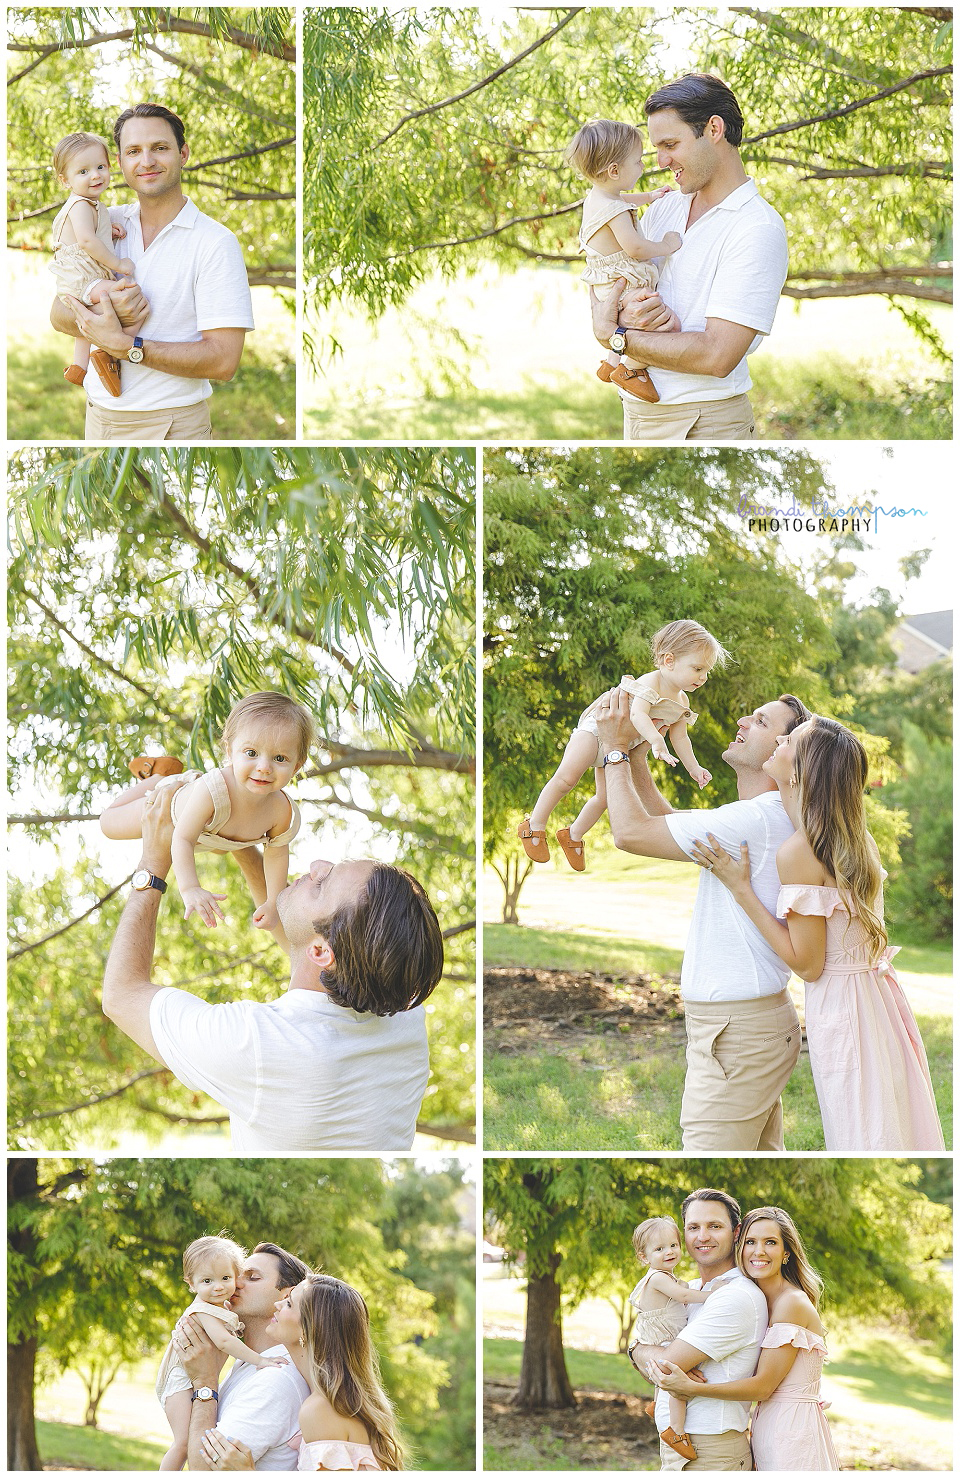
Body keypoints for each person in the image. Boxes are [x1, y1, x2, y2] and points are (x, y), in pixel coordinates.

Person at [100, 779, 445, 1151]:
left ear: (322, 952)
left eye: (322, 885)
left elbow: (120, 995)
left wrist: (152, 863)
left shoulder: (259, 1043)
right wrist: (241, 840)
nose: (316, 865)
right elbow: (305, 943)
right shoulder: (402, 1016)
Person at [689, 716, 945, 1151]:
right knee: (886, 1117)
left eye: (789, 739)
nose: (780, 738)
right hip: (874, 1000)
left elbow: (808, 964)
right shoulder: (852, 837)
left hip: (844, 1009)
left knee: (860, 1128)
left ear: (800, 771)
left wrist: (741, 889)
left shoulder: (802, 851)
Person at [594, 686, 811, 1151]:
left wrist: (612, 749)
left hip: (738, 1033)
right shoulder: (759, 815)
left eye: (760, 721)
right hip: (747, 1025)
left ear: (784, 750)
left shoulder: (755, 821)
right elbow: (666, 821)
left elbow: (631, 833)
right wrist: (634, 749)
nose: (743, 721)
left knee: (706, 1155)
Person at [589, 73, 788, 442]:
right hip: (638, 414)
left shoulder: (757, 227)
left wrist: (616, 337)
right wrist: (614, 311)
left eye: (670, 144)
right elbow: (610, 272)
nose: (661, 161)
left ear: (714, 128)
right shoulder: (666, 206)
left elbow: (717, 355)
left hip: (704, 422)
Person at [50, 102, 254, 442]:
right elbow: (58, 312)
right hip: (100, 419)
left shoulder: (215, 243)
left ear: (183, 152)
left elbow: (223, 362)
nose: (146, 161)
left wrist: (127, 345)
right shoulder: (103, 224)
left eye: (159, 148)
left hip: (175, 423)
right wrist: (108, 312)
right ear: (119, 162)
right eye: (133, 151)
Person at [518, 619, 728, 871]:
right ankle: (535, 825)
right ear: (669, 661)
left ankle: (572, 835)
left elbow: (680, 737)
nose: (703, 677)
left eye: (707, 671)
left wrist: (694, 768)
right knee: (566, 779)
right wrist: (656, 740)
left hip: (618, 745)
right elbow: (638, 714)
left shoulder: (681, 700)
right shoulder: (652, 683)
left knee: (605, 797)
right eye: (697, 669)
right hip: (596, 731)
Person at [100, 691, 315, 931]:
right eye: (251, 753)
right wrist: (190, 888)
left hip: (217, 834)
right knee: (108, 824)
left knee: (221, 851)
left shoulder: (281, 811)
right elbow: (182, 838)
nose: (264, 767)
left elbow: (275, 854)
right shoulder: (211, 792)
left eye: (279, 758)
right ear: (229, 750)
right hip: (174, 809)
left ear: (297, 765)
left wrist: (274, 902)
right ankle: (159, 776)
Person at [657, 1207, 840, 1471]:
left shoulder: (791, 1302)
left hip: (791, 1430)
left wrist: (692, 1388)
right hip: (766, 1425)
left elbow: (763, 1387)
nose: (759, 1252)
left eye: (771, 1243)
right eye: (751, 1242)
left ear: (786, 1252)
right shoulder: (758, 1298)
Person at [199, 1273, 403, 1471]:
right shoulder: (332, 1401)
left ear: (309, 1329)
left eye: (288, 1303)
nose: (277, 1305)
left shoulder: (320, 1410)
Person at [629, 1189, 767, 1471]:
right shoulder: (689, 1290)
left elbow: (666, 1365)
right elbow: (651, 1355)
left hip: (710, 1448)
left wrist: (647, 1355)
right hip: (682, 1444)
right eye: (693, 1227)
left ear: (736, 1232)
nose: (702, 1236)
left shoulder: (734, 1295)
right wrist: (637, 1351)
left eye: (714, 1226)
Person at [564, 118, 681, 402]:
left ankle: (609, 363)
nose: (643, 166)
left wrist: (651, 196)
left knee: (630, 325)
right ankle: (631, 369)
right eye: (638, 161)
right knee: (664, 325)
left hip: (607, 281)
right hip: (625, 282)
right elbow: (636, 249)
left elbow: (625, 200)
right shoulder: (614, 211)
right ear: (615, 170)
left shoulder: (599, 197)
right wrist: (665, 245)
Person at [172, 1241, 312, 1471]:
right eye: (236, 1274)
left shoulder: (275, 1379)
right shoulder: (249, 1362)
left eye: (252, 1277)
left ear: (287, 1295)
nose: (235, 1283)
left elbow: (204, 1470)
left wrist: (205, 1383)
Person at [49, 131, 140, 397]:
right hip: (82, 279)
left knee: (88, 318)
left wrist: (107, 229)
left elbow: (90, 233)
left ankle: (80, 365)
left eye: (100, 167)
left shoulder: (92, 205)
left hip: (81, 278)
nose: (95, 175)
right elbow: (87, 242)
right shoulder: (79, 206)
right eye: (83, 171)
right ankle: (111, 351)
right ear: (65, 180)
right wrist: (118, 263)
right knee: (129, 297)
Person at [628, 1216, 716, 1462]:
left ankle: (657, 1406)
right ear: (644, 1257)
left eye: (673, 1245)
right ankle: (676, 1431)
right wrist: (714, 1294)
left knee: (667, 1374)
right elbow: (684, 1296)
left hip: (661, 1335)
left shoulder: (664, 1276)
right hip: (663, 1337)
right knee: (677, 1379)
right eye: (659, 1249)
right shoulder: (657, 1278)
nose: (669, 1252)